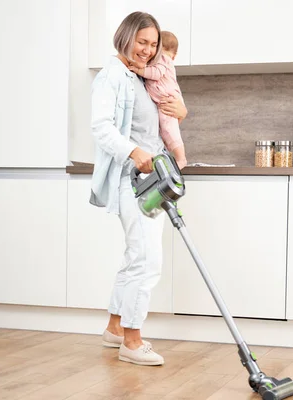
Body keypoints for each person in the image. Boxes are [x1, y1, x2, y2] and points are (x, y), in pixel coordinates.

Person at [89, 11, 188, 366]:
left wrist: (182, 110)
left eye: (153, 44)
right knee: (147, 260)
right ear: (125, 36)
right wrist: (135, 152)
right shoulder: (111, 77)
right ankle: (133, 341)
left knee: (136, 257)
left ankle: (115, 328)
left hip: (151, 180)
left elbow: (164, 111)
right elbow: (101, 127)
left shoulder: (139, 76)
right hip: (132, 179)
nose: (147, 50)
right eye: (141, 42)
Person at [128, 31, 187, 169]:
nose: (149, 52)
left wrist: (139, 70)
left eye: (154, 46)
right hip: (166, 101)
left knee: (170, 130)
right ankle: (178, 156)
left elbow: (156, 73)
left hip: (167, 100)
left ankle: (181, 158)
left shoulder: (163, 60)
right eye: (143, 43)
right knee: (168, 130)